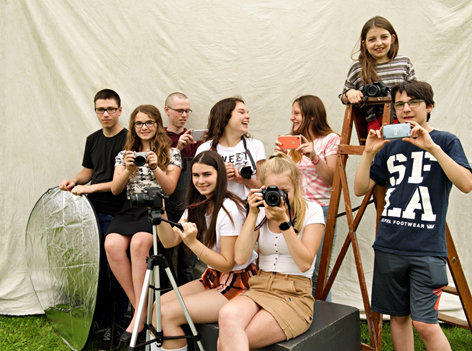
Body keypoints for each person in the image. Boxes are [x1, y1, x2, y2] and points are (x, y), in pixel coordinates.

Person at [353, 80, 472, 351]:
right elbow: (361, 188)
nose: (406, 109)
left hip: (426, 248)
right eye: (400, 104)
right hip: (389, 243)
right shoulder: (391, 145)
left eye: (413, 102)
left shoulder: (445, 140)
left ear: (429, 106)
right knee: (398, 317)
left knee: (426, 323)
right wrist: (369, 154)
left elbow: (466, 183)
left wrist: (432, 148)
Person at [150, 150, 258, 351]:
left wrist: (192, 243)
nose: (201, 181)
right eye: (196, 175)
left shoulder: (230, 209)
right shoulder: (196, 206)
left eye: (207, 174)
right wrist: (159, 211)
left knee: (165, 314)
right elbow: (169, 241)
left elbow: (228, 263)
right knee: (156, 307)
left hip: (239, 282)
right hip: (213, 277)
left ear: (220, 175)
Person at [218, 152, 325, 350]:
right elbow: (240, 257)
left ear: (297, 185)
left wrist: (284, 223)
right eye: (271, 190)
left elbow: (304, 263)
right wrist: (252, 214)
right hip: (260, 286)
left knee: (229, 341)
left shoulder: (312, 210)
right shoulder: (261, 211)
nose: (278, 196)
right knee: (227, 315)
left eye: (285, 190)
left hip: (294, 292)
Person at [104, 105, 181, 343]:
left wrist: (156, 166)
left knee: (139, 244)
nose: (144, 127)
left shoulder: (172, 153)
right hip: (129, 208)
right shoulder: (124, 153)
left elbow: (170, 188)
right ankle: (141, 310)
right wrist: (128, 170)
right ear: (133, 126)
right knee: (112, 244)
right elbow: (115, 189)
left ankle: (137, 319)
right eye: (138, 123)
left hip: (156, 209)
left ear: (158, 124)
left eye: (149, 122)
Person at [59, 89, 128, 348]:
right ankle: (99, 319)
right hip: (91, 212)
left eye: (111, 108)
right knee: (96, 269)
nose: (106, 114)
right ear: (96, 111)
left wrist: (88, 186)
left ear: (120, 110)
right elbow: (89, 171)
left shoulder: (130, 139)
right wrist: (75, 180)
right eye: (101, 109)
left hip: (119, 213)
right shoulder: (92, 139)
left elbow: (120, 183)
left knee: (117, 271)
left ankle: (118, 322)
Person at [275, 95, 340, 300]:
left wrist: (314, 157)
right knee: (293, 267)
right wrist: (279, 158)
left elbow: (333, 180)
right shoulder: (292, 142)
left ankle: (323, 321)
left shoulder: (330, 139)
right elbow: (281, 179)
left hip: (320, 209)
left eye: (296, 113)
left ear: (311, 116)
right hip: (291, 209)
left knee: (318, 272)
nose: (292, 118)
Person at [340, 16, 416, 131]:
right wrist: (350, 93)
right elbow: (343, 97)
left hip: (402, 119)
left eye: (384, 37)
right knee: (380, 143)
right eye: (372, 39)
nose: (378, 43)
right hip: (374, 121)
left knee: (401, 144)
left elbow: (415, 92)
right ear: (364, 44)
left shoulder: (403, 63)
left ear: (392, 38)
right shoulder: (358, 67)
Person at [164, 92, 203, 285]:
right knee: (165, 262)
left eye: (187, 111)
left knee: (188, 265)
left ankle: (187, 308)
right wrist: (177, 149)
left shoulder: (198, 140)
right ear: (167, 111)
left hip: (192, 209)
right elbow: (156, 171)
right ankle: (166, 304)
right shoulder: (159, 138)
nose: (184, 115)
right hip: (167, 208)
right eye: (179, 110)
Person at [196, 97, 265, 200]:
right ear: (225, 116)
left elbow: (263, 187)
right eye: (241, 112)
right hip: (217, 209)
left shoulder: (256, 145)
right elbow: (197, 185)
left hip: (250, 209)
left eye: (247, 113)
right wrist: (219, 176)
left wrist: (246, 180)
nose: (248, 116)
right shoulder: (205, 149)